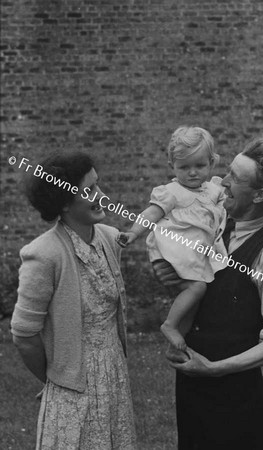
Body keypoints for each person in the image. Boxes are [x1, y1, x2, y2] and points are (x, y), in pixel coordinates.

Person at [153, 137, 263, 449]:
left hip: (236, 405)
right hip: (192, 393)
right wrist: (173, 282)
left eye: (235, 177)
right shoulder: (213, 227)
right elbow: (206, 297)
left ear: (260, 195)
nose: (220, 180)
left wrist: (213, 369)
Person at [11, 152, 137, 450]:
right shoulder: (43, 254)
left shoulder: (109, 239)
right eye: (89, 190)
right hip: (71, 387)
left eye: (99, 186)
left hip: (115, 376)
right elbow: (24, 334)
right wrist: (57, 377)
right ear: (64, 203)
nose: (101, 196)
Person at [118, 126, 227, 350]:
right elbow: (151, 214)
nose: (193, 172)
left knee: (194, 299)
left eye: (200, 165)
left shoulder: (213, 190)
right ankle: (169, 325)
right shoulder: (171, 192)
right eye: (184, 167)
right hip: (175, 251)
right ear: (172, 167)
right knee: (197, 289)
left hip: (196, 254)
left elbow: (226, 207)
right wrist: (133, 232)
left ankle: (179, 340)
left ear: (212, 164)